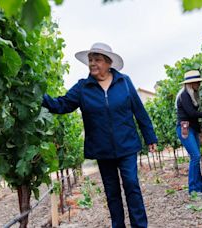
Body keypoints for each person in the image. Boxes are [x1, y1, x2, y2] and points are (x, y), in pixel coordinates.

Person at [42, 42, 157, 228]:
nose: (92, 63)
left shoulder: (124, 82)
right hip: (102, 149)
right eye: (90, 60)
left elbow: (139, 111)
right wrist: (40, 96)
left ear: (108, 63)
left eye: (97, 60)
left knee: (132, 185)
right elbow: (61, 105)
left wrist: (150, 137)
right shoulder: (83, 88)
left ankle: (140, 225)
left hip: (127, 145)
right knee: (112, 192)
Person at [175, 70, 202, 198]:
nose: (199, 83)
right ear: (191, 83)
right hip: (185, 129)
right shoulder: (184, 95)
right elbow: (192, 114)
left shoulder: (192, 94)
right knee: (195, 156)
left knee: (196, 157)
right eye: (197, 82)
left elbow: (194, 119)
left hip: (192, 129)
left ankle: (201, 188)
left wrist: (199, 132)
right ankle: (193, 191)